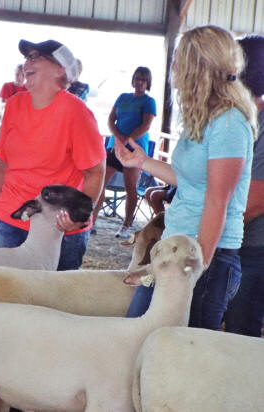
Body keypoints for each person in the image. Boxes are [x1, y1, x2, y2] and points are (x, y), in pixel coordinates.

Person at [117, 25, 256, 331]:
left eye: (180, 60)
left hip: (204, 256)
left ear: (198, 67)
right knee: (143, 333)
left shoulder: (229, 123)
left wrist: (197, 267)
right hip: (176, 246)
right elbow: (191, 181)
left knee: (181, 345)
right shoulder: (203, 118)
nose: (174, 68)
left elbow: (217, 202)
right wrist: (142, 161)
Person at [0, 39, 106, 272]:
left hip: (57, 224)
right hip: (8, 216)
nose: (27, 62)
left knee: (53, 293)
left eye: (35, 57)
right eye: (27, 57)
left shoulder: (77, 113)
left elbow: (95, 172)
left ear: (60, 70)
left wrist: (77, 218)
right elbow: (3, 164)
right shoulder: (14, 105)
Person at [223, 35, 264, 337]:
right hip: (241, 243)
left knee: (240, 331)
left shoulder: (260, 126)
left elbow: (255, 201)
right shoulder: (244, 121)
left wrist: (209, 236)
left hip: (253, 247)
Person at [92, 66, 157, 239]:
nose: (139, 82)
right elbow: (111, 120)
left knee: (130, 187)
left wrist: (127, 140)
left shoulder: (149, 101)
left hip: (135, 148)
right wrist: (118, 138)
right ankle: (92, 220)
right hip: (115, 146)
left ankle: (126, 225)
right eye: (137, 78)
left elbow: (146, 126)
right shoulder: (123, 97)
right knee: (99, 182)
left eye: (143, 79)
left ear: (148, 82)